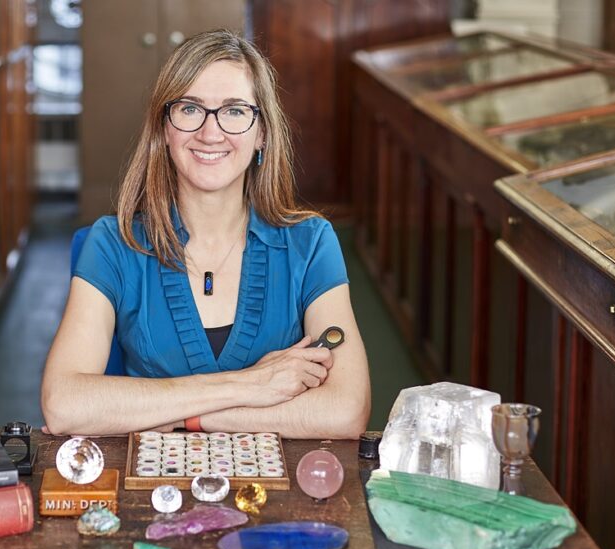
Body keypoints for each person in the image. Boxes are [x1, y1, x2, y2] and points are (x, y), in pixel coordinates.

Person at [42, 30, 370, 438]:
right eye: (189, 109)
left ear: (262, 132)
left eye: (234, 111)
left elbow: (345, 410)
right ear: (164, 128)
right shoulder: (114, 242)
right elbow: (64, 405)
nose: (210, 133)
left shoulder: (311, 242)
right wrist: (250, 384)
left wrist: (183, 417)